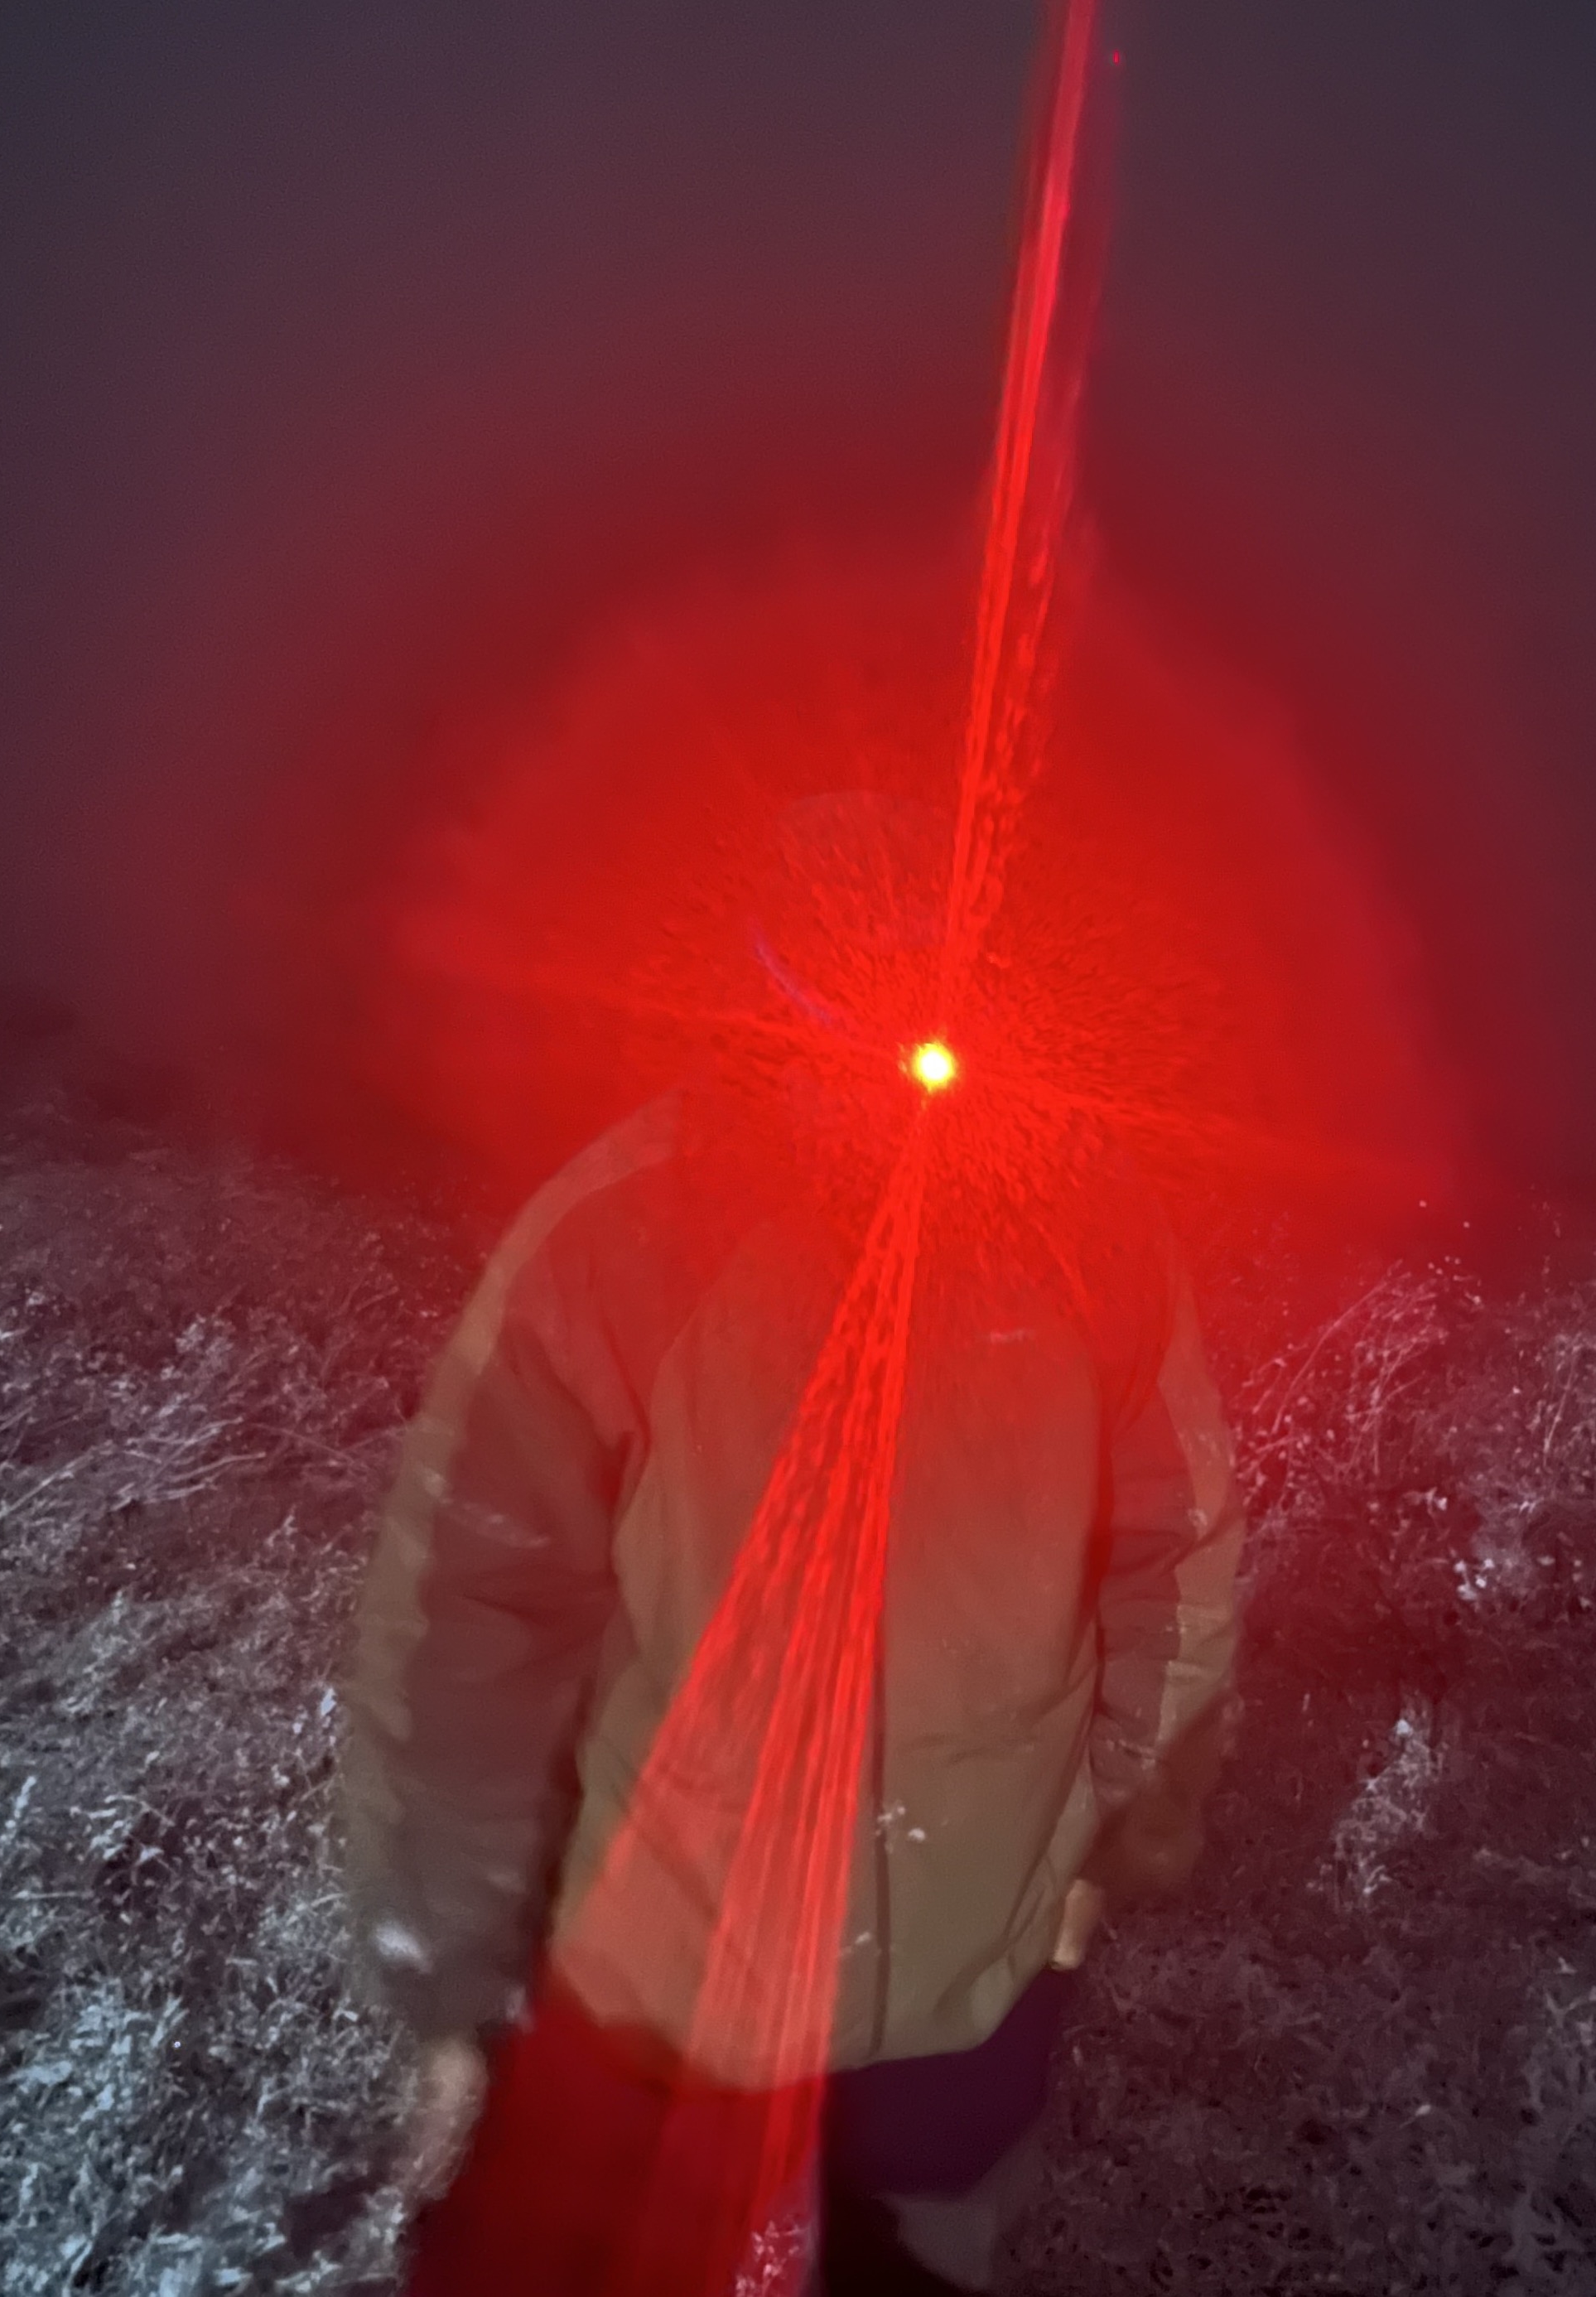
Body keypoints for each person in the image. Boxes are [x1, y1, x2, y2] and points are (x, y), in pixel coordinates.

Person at [337, 794, 1243, 2294]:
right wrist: (449, 1977)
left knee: (922, 2261)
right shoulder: (623, 1225)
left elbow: (1176, 1550)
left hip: (965, 1989)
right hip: (659, 2006)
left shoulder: (1094, 1225)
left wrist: (1112, 1840)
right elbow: (469, 1611)